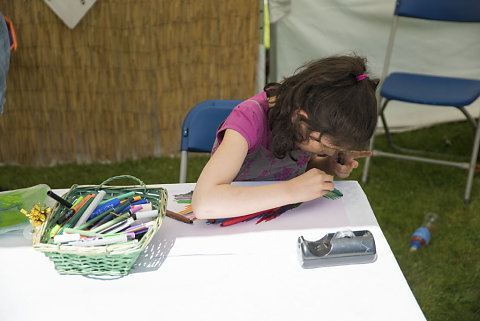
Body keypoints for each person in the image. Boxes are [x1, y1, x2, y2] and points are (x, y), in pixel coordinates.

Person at [192, 54, 378, 219]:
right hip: (231, 220)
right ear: (300, 117)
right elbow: (204, 203)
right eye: (326, 148)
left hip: (279, 219)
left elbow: (293, 168)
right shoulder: (248, 121)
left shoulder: (305, 125)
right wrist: (291, 190)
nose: (330, 152)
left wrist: (327, 165)